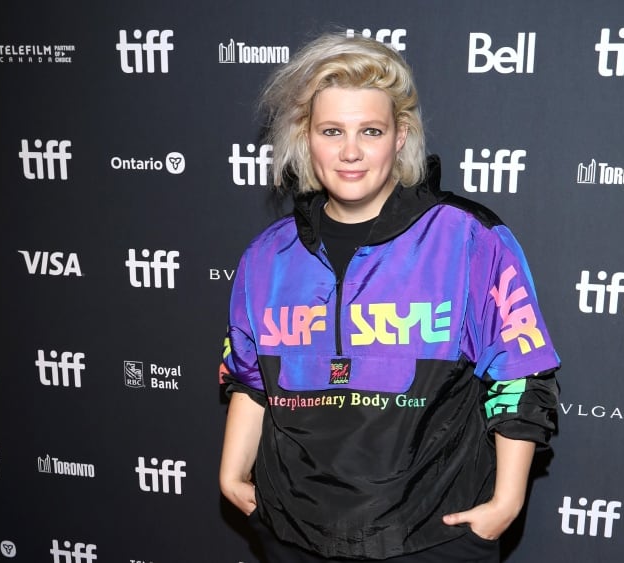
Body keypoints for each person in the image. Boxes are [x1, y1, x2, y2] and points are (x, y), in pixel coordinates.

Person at [218, 32, 560, 562]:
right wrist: (231, 474)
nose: (350, 151)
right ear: (305, 138)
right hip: (291, 531)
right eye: (331, 131)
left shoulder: (468, 239)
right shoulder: (267, 256)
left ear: (400, 137)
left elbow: (521, 373)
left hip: (432, 534)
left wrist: (506, 503)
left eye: (370, 131)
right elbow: (249, 376)